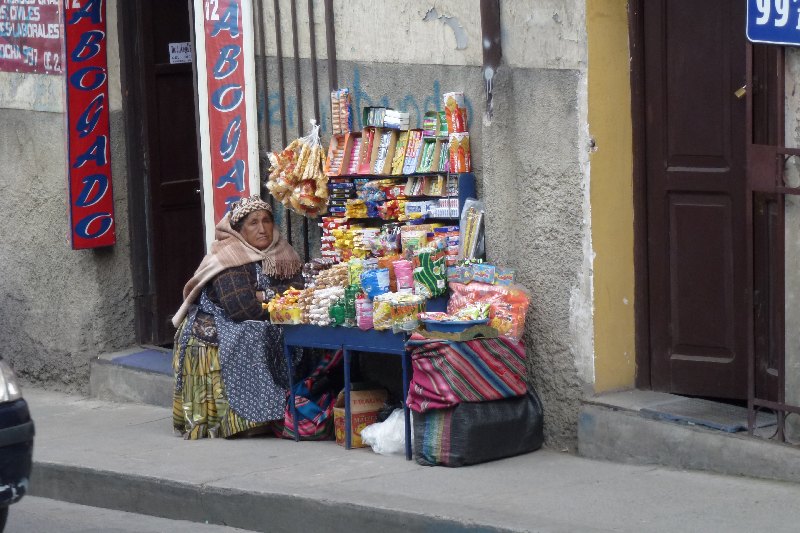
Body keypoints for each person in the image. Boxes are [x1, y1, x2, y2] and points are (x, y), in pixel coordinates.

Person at [171, 195, 303, 439]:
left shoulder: (283, 253)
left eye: (266, 221)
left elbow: (300, 292)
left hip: (264, 320)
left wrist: (263, 294)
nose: (262, 229)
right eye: (253, 223)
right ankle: (246, 421)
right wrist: (277, 300)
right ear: (239, 230)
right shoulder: (228, 257)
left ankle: (285, 412)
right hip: (224, 323)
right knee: (251, 333)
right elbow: (242, 310)